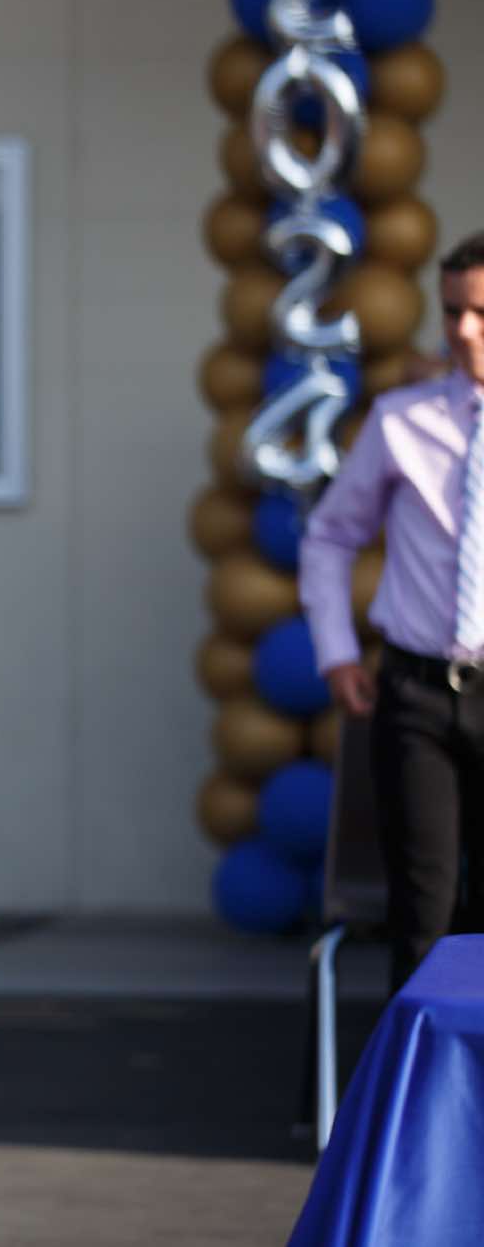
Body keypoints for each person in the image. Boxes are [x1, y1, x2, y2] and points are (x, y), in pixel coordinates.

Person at [304, 231, 484, 993]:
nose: (464, 330)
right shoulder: (404, 419)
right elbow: (331, 534)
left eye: (480, 313)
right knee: (425, 915)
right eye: (452, 312)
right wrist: (337, 650)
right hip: (417, 695)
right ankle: (419, 1072)